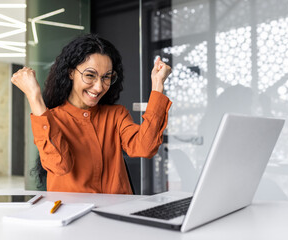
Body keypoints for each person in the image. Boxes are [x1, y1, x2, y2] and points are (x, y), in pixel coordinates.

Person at [11, 34, 172, 194]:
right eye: (90, 75)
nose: (99, 87)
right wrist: (34, 96)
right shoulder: (52, 119)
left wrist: (157, 85)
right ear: (71, 72)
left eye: (106, 77)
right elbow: (59, 165)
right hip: (70, 214)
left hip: (117, 213)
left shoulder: (116, 115)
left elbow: (145, 147)